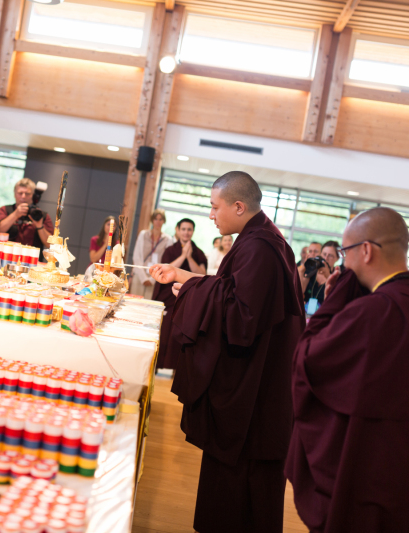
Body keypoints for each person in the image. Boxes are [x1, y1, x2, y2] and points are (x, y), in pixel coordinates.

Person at [286, 207, 409, 533]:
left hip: (381, 481)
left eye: (345, 252)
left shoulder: (375, 312)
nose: (343, 263)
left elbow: (306, 360)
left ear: (365, 250)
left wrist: (334, 300)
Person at [150, 172, 304, 532]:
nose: (210, 215)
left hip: (255, 392)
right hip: (260, 381)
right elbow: (230, 290)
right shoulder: (262, 239)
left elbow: (241, 318)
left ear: (239, 206)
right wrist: (183, 278)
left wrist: (192, 292)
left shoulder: (259, 247)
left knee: (242, 489)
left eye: (214, 207)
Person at [152, 218, 207, 371]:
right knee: (162, 331)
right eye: (183, 229)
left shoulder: (198, 252)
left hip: (187, 299)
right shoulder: (170, 250)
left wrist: (189, 257)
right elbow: (164, 270)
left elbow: (202, 274)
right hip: (167, 297)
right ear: (177, 230)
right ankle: (155, 366)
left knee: (180, 332)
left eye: (189, 229)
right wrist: (182, 256)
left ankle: (176, 369)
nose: (186, 232)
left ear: (193, 232)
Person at [0, 178, 53, 252]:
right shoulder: (5, 210)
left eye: (27, 194)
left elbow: (50, 244)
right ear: (14, 194)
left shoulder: (42, 215)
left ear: (33, 195)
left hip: (32, 259)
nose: (23, 196)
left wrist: (39, 226)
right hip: (6, 256)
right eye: (20, 193)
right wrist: (15, 215)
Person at [129, 209, 173, 299]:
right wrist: (143, 278)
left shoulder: (167, 239)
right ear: (152, 220)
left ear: (164, 221)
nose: (158, 222)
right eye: (156, 219)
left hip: (156, 277)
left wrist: (152, 279)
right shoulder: (143, 234)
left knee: (148, 306)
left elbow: (167, 261)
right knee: (134, 303)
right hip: (139, 275)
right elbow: (136, 257)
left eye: (160, 219)